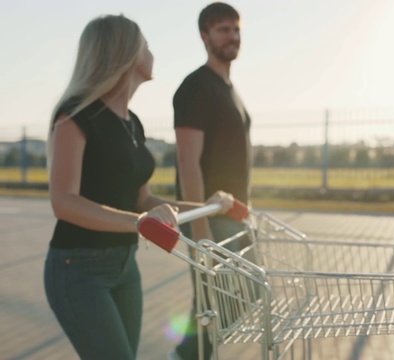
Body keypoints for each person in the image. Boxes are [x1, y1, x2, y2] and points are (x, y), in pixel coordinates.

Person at [44, 14, 234, 360]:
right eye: (146, 44)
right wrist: (138, 222)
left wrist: (207, 205)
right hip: (77, 269)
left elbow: (143, 199)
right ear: (125, 53)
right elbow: (64, 202)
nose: (152, 52)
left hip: (124, 265)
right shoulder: (76, 114)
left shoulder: (133, 124)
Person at [172, 3, 252, 359]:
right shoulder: (196, 87)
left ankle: (190, 354)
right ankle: (187, 356)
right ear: (204, 36)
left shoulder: (227, 87)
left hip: (233, 215)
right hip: (212, 220)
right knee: (214, 303)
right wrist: (200, 228)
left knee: (236, 298)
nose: (232, 36)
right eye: (222, 29)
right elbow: (187, 162)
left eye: (236, 29)